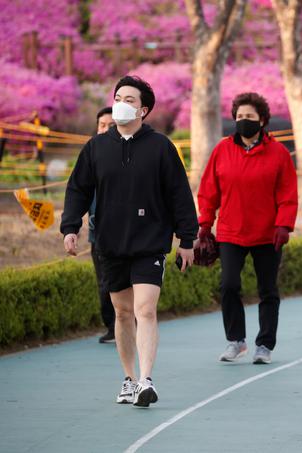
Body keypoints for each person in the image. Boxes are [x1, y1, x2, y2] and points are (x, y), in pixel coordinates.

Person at [60, 76, 198, 407]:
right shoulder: (96, 147)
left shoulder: (161, 146)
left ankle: (147, 380)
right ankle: (129, 378)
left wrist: (187, 239)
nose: (122, 103)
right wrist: (70, 226)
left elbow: (179, 193)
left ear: (144, 109)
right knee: (122, 313)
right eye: (118, 97)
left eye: (130, 99)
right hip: (109, 242)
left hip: (150, 242)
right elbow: (78, 189)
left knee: (145, 309)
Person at [197, 92, 298, 365]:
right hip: (231, 231)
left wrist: (284, 226)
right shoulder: (222, 150)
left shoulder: (278, 153)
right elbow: (208, 190)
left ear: (262, 120)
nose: (243, 121)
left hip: (268, 234)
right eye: (239, 116)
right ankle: (236, 341)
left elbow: (288, 193)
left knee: (268, 290)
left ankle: (264, 345)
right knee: (228, 285)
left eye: (249, 117)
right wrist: (205, 224)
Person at [90, 107, 116, 344]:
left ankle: (129, 322)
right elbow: (79, 192)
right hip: (97, 234)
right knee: (103, 283)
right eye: (101, 125)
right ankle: (111, 327)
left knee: (125, 283)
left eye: (111, 124)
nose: (105, 129)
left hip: (125, 233)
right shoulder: (90, 155)